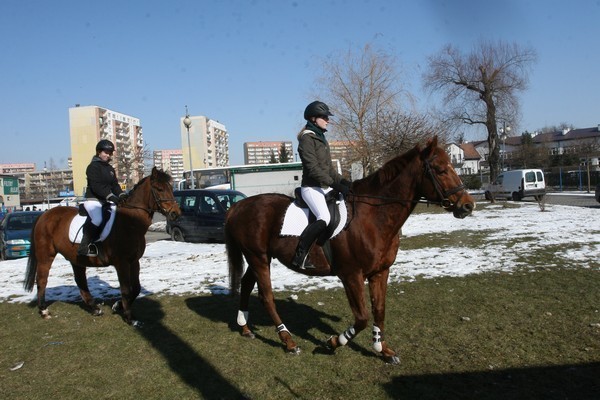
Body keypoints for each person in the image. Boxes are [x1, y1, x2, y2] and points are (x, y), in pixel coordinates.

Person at [291, 101, 351, 269]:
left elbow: (329, 169)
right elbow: (313, 169)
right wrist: (334, 184)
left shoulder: (321, 139)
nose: (328, 120)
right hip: (311, 188)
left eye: (327, 117)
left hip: (324, 186)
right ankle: (300, 255)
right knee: (324, 218)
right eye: (324, 117)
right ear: (313, 118)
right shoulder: (307, 139)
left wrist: (343, 181)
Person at [78, 139, 126, 257]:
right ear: (99, 152)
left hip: (105, 200)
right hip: (93, 200)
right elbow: (96, 186)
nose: (108, 155)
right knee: (98, 219)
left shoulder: (110, 169)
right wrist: (111, 196)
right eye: (105, 152)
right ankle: (84, 246)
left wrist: (121, 194)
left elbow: (114, 185)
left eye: (110, 153)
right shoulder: (92, 167)